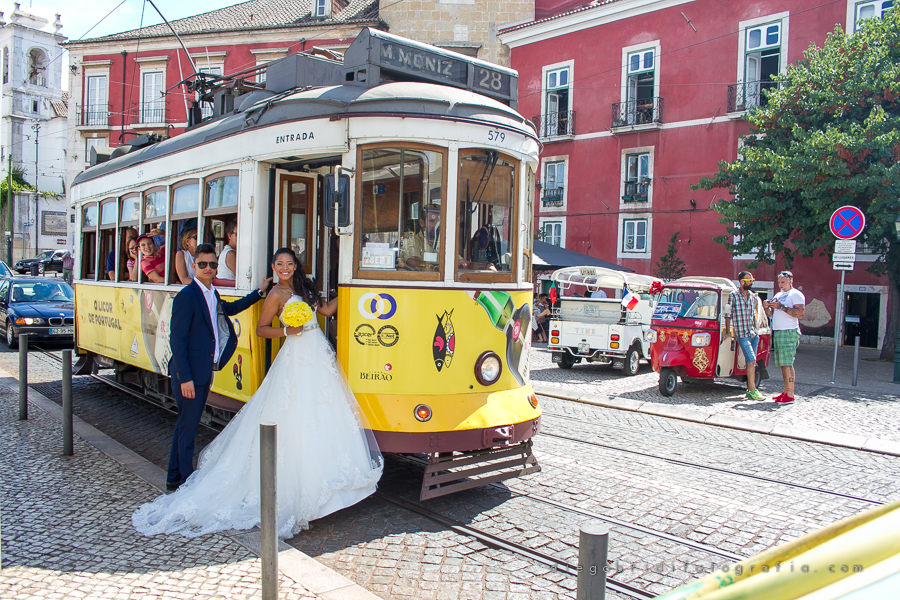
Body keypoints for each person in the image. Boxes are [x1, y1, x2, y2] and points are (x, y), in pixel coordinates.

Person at [133, 247, 382, 538]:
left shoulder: (304, 287)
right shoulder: (274, 295)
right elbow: (263, 328)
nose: (285, 268)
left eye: (289, 263)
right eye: (280, 264)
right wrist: (287, 332)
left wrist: (355, 287)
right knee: (291, 414)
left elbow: (326, 311)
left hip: (318, 356)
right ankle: (178, 478)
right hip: (294, 356)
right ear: (274, 267)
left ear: (296, 265)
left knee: (323, 412)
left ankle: (332, 484)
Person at [764, 271, 805, 404]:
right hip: (778, 330)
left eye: (783, 282)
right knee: (783, 363)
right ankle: (786, 390)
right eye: (779, 282)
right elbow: (771, 314)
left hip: (789, 331)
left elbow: (800, 313)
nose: (780, 285)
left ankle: (790, 394)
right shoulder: (778, 295)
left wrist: (781, 307)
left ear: (790, 281)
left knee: (787, 363)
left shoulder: (796, 294)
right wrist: (767, 308)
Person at [725, 271, 764, 401]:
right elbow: (728, 313)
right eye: (749, 280)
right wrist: (727, 331)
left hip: (752, 333)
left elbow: (753, 314)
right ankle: (752, 390)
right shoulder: (733, 296)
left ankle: (750, 390)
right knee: (751, 360)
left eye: (752, 280)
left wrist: (755, 328)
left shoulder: (752, 296)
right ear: (742, 282)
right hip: (741, 333)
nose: (751, 282)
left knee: (750, 362)